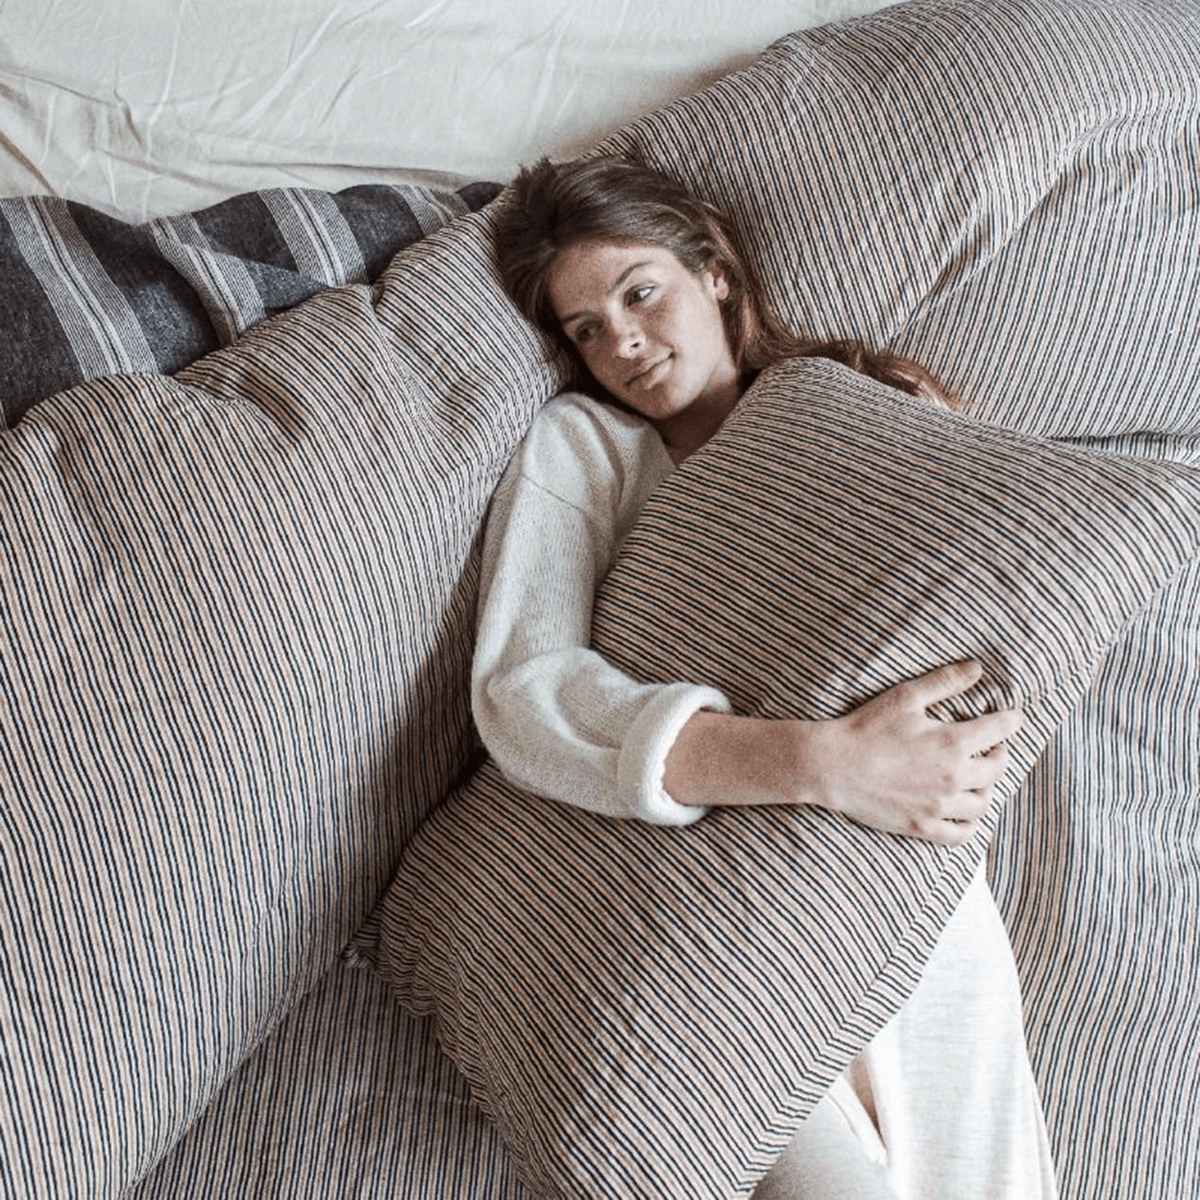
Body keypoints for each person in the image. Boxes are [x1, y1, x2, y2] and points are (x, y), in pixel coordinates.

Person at [476, 154, 1057, 1199]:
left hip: (907, 868)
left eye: (639, 293)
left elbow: (988, 601)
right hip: (718, 896)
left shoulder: (866, 400)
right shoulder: (588, 447)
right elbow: (524, 691)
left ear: (715, 271)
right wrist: (815, 761)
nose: (623, 343)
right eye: (586, 329)